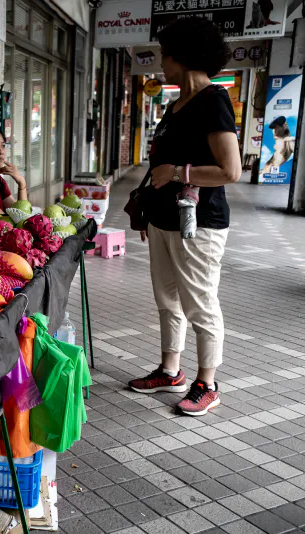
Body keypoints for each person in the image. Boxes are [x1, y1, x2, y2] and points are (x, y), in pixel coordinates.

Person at [127, 17, 242, 417]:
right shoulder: (175, 105)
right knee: (167, 300)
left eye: (165, 54)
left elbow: (230, 170)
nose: (161, 62)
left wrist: (178, 173)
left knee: (200, 304)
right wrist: (148, 212)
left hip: (199, 223)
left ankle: (207, 383)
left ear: (184, 56)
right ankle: (170, 370)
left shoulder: (213, 101)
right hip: (163, 220)